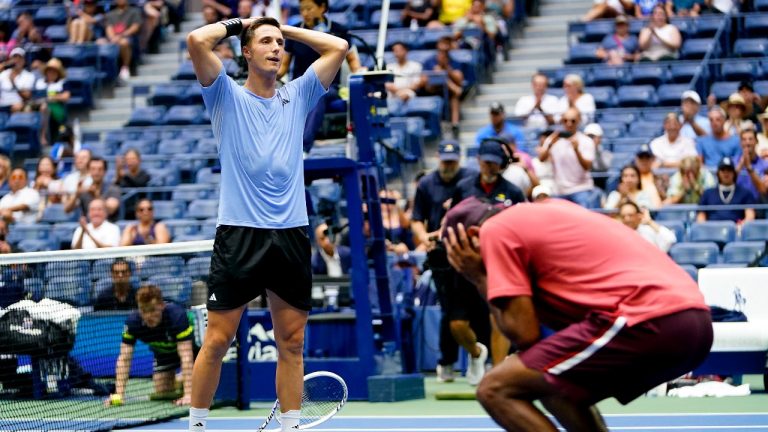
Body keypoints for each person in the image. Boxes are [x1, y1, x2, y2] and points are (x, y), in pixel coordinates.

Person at [186, 15, 348, 432]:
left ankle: (290, 426)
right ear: (245, 51)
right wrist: (242, 22)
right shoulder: (224, 95)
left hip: (291, 234)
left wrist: (285, 29)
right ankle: (197, 425)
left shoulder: (298, 95)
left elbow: (337, 48)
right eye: (266, 42)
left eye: (280, 44)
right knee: (218, 340)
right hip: (240, 234)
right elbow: (196, 39)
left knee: (292, 343)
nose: (276, 48)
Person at [441, 196, 712, 432]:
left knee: (495, 388)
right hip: (692, 318)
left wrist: (478, 276)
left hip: (648, 317)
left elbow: (524, 334)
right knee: (553, 385)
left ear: (473, 235)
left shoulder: (494, 231)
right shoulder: (548, 210)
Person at [450, 138, 525, 374]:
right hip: (466, 260)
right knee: (457, 324)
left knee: (497, 316)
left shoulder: (513, 192)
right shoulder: (463, 188)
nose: (489, 167)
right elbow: (451, 220)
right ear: (478, 160)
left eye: (494, 163)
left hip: (499, 262)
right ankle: (476, 353)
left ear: (501, 165)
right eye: (485, 162)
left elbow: (523, 227)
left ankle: (498, 372)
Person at [410, 140, 475, 382]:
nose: (449, 165)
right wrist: (424, 236)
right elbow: (416, 218)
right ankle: (447, 362)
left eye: (453, 161)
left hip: (469, 252)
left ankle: (480, 361)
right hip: (439, 256)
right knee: (449, 309)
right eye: (445, 160)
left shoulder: (471, 179)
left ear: (459, 159)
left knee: (475, 307)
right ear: (438, 158)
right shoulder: (426, 183)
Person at [276, 0, 363, 153]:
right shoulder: (294, 32)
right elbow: (283, 68)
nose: (305, 13)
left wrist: (360, 74)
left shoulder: (339, 31)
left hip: (329, 87)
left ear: (322, 7)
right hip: (298, 87)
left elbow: (353, 63)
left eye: (309, 8)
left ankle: (302, 148)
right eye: (302, 9)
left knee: (318, 92)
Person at [107, 285, 194, 406]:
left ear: (162, 305)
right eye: (143, 310)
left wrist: (189, 394)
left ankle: (190, 379)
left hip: (194, 351)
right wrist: (119, 394)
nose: (148, 316)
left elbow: (186, 356)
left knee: (201, 385)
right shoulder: (133, 322)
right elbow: (124, 359)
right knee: (162, 389)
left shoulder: (176, 316)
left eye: (152, 310)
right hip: (164, 353)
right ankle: (181, 379)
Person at [537, 107, 598, 208]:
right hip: (560, 190)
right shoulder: (553, 139)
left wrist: (576, 150)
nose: (569, 124)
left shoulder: (586, 141)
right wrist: (549, 145)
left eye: (573, 121)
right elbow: (541, 159)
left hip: (581, 189)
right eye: (565, 120)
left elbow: (587, 167)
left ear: (579, 121)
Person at [697, 156, 756, 223]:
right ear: (718, 173)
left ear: (734, 173)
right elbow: (700, 216)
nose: (726, 173)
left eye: (729, 170)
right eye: (723, 170)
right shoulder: (707, 193)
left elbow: (750, 216)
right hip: (712, 231)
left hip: (737, 231)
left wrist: (740, 227)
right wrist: (706, 229)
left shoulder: (745, 193)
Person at [64, 157, 121, 221]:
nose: (96, 172)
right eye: (93, 169)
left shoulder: (113, 189)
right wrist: (77, 194)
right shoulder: (85, 190)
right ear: (89, 171)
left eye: (100, 169)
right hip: (89, 226)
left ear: (105, 171)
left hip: (108, 227)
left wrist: (96, 195)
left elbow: (111, 210)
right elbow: (67, 210)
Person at [104, 0, 143, 82]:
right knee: (101, 43)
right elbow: (109, 28)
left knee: (124, 42)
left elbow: (135, 27)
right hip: (114, 39)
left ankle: (125, 67)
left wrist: (121, 36)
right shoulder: (110, 14)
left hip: (129, 37)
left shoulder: (134, 11)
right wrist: (112, 38)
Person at [35, 58, 71, 146]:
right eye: (49, 71)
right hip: (39, 107)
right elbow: (36, 97)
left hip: (57, 108)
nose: (51, 73)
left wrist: (53, 97)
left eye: (54, 71)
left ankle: (43, 136)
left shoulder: (62, 83)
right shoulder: (40, 83)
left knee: (44, 108)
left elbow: (66, 96)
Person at [385, 42, 423, 117]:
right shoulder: (389, 67)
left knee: (405, 95)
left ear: (406, 51)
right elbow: (388, 85)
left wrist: (403, 91)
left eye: (399, 50)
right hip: (392, 94)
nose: (396, 53)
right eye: (394, 51)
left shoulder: (416, 66)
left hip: (408, 92)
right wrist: (399, 91)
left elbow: (416, 84)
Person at [735, 129, 768, 201]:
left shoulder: (765, 165)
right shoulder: (733, 162)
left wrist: (749, 168)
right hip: (737, 204)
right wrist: (740, 165)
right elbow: (727, 184)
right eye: (744, 139)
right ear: (740, 143)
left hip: (758, 204)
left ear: (756, 141)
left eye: (750, 139)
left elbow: (763, 190)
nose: (747, 143)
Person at [0, 48, 35, 113]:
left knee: (18, 108)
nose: (17, 60)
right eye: (15, 57)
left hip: (19, 106)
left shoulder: (29, 76)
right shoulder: (3, 74)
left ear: (24, 61)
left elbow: (27, 96)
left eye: (20, 58)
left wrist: (13, 83)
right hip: (2, 105)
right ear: (10, 60)